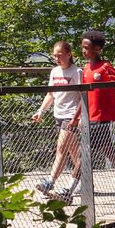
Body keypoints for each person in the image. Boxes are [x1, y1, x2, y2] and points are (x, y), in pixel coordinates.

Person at [65, 30, 115, 202]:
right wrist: (75, 118)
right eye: (82, 47)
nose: (83, 51)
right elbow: (84, 96)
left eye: (87, 48)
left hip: (101, 118)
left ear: (97, 49)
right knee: (109, 154)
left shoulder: (104, 68)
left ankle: (68, 192)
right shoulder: (86, 69)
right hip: (90, 118)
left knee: (84, 154)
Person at [32, 41, 83, 199]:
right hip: (58, 115)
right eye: (54, 55)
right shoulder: (54, 72)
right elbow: (50, 94)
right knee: (73, 151)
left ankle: (50, 181)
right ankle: (84, 178)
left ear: (69, 54)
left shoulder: (77, 71)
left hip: (71, 115)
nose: (57, 58)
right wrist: (41, 111)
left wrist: (78, 117)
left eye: (59, 55)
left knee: (61, 148)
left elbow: (83, 96)